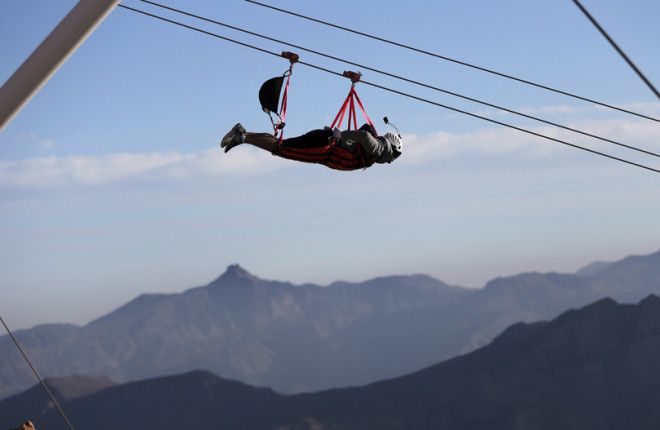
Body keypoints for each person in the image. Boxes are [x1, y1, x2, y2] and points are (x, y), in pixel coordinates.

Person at [220, 123, 402, 171]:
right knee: (281, 148)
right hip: (322, 148)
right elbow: (363, 136)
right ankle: (242, 136)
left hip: (324, 145)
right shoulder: (380, 150)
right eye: (393, 157)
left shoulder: (376, 152)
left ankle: (243, 134)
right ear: (392, 148)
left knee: (282, 146)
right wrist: (340, 135)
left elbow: (360, 139)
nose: (390, 160)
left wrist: (339, 136)